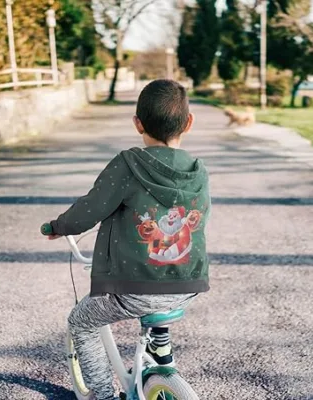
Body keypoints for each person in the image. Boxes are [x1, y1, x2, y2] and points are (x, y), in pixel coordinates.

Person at [45, 79, 211, 400]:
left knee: (82, 322)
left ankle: (104, 395)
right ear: (188, 123)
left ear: (137, 124)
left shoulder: (127, 164)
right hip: (188, 286)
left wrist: (58, 226)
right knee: (161, 290)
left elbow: (90, 208)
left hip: (137, 290)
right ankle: (161, 353)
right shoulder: (198, 170)